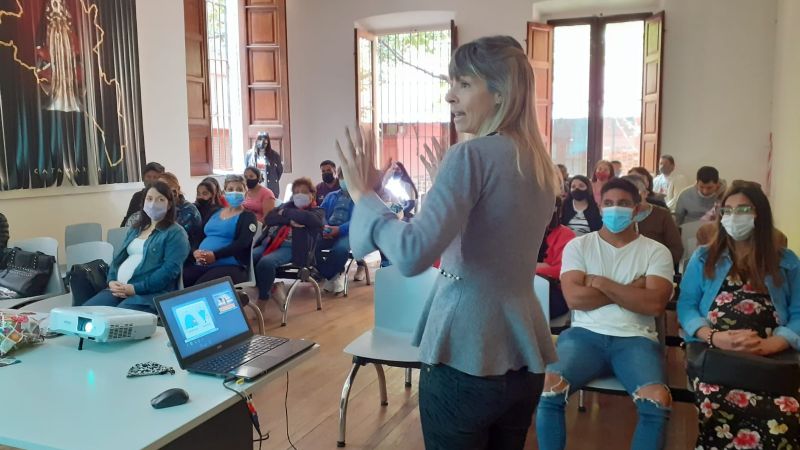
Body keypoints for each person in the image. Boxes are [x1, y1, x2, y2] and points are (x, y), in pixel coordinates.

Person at [338, 35, 559, 449]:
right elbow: (488, 234)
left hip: (466, 353)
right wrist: (445, 181)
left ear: (500, 91)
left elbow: (411, 255)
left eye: (464, 84)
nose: (449, 95)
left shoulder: (470, 156)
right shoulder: (540, 164)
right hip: (522, 355)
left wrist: (363, 196)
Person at [536, 178, 675, 450]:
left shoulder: (656, 251)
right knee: (549, 388)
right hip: (583, 337)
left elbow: (654, 304)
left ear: (637, 209)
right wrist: (632, 289)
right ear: (599, 208)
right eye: (608, 203)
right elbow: (574, 299)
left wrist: (600, 283)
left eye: (623, 204)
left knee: (657, 400)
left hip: (636, 340)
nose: (615, 209)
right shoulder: (579, 246)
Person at [677, 181, 800, 449]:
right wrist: (713, 336)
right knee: (714, 402)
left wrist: (774, 344)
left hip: (773, 357)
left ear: (760, 214)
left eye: (743, 209)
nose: (734, 216)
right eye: (728, 210)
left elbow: (798, 312)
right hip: (716, 354)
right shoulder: (704, 257)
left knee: (787, 411)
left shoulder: (786, 261)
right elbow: (686, 306)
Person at [84, 182, 189, 314]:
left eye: (160, 199)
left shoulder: (176, 233)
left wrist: (135, 288)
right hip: (119, 289)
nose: (153, 204)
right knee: (85, 312)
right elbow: (118, 259)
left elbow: (169, 271)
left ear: (169, 205)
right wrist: (111, 281)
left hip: (151, 294)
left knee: (114, 318)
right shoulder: (136, 229)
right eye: (149, 199)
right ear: (143, 202)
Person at [252, 177, 324, 306]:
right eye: (296, 192)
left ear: (312, 194)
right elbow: (269, 218)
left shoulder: (317, 211)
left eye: (304, 192)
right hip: (270, 243)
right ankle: (271, 288)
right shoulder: (285, 206)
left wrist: (285, 212)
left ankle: (263, 299)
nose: (299, 195)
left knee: (265, 263)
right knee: (248, 258)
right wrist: (288, 220)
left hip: (292, 247)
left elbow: (309, 219)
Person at [183, 175, 258, 287]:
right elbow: (198, 236)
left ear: (246, 194)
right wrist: (195, 251)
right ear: (224, 192)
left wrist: (215, 255)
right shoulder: (214, 212)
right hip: (202, 263)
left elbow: (242, 243)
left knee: (200, 288)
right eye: (230, 189)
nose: (234, 192)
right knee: (181, 279)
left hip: (230, 266)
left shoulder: (248, 216)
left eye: (239, 189)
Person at [623, 175, 683, 266]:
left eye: (635, 194)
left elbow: (676, 249)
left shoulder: (662, 215)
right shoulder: (619, 216)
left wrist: (655, 263)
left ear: (645, 193)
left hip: (656, 266)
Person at [537, 197, 575, 319]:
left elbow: (562, 271)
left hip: (554, 291)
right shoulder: (524, 233)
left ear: (555, 209)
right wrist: (543, 267)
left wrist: (531, 267)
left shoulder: (566, 234)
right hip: (524, 288)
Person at [317, 169, 355, 294]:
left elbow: (358, 220)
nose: (344, 180)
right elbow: (320, 213)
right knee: (310, 245)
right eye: (342, 177)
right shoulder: (331, 196)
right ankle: (332, 275)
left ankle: (332, 275)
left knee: (340, 250)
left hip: (348, 233)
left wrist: (339, 230)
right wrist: (325, 227)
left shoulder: (360, 198)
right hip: (328, 229)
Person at [121, 162, 164, 226]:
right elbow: (128, 219)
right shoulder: (137, 197)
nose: (151, 180)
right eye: (148, 176)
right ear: (143, 178)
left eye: (155, 177)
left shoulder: (165, 197)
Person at [244, 131, 283, 197]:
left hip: (270, 187)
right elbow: (246, 169)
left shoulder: (274, 155)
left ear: (268, 142)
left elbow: (279, 171)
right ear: (256, 141)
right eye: (260, 139)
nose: (262, 142)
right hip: (255, 186)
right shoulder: (249, 154)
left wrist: (273, 179)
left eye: (265, 140)